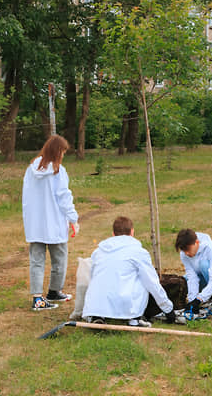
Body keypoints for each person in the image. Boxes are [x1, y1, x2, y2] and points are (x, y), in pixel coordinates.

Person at [83, 217, 176, 326]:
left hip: (96, 304)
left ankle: (97, 316)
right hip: (125, 302)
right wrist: (168, 308)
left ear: (113, 234)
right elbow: (152, 282)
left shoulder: (98, 252)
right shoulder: (139, 252)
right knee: (144, 278)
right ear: (132, 232)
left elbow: (92, 276)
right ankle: (133, 318)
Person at [22, 134, 79, 311]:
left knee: (37, 260)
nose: (63, 155)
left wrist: (30, 218)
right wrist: (73, 218)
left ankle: (40, 297)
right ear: (57, 151)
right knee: (60, 259)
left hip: (36, 223)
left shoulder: (31, 169)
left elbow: (26, 197)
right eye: (62, 151)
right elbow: (64, 198)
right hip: (54, 222)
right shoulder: (58, 172)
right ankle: (53, 291)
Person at [175, 229, 212, 312]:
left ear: (197, 243)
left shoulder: (211, 248)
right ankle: (208, 294)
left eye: (188, 249)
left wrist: (200, 299)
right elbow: (192, 277)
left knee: (204, 265)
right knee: (184, 279)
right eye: (183, 250)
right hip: (206, 275)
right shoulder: (184, 254)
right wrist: (192, 300)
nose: (186, 253)